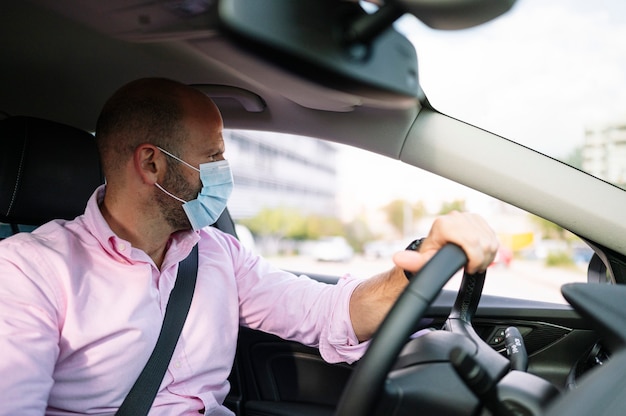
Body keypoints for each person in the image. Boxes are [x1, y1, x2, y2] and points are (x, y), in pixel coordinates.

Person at [0, 78, 498, 415]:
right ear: (151, 165)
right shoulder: (29, 272)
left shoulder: (218, 255)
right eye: (213, 156)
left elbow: (326, 312)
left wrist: (412, 271)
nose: (224, 171)